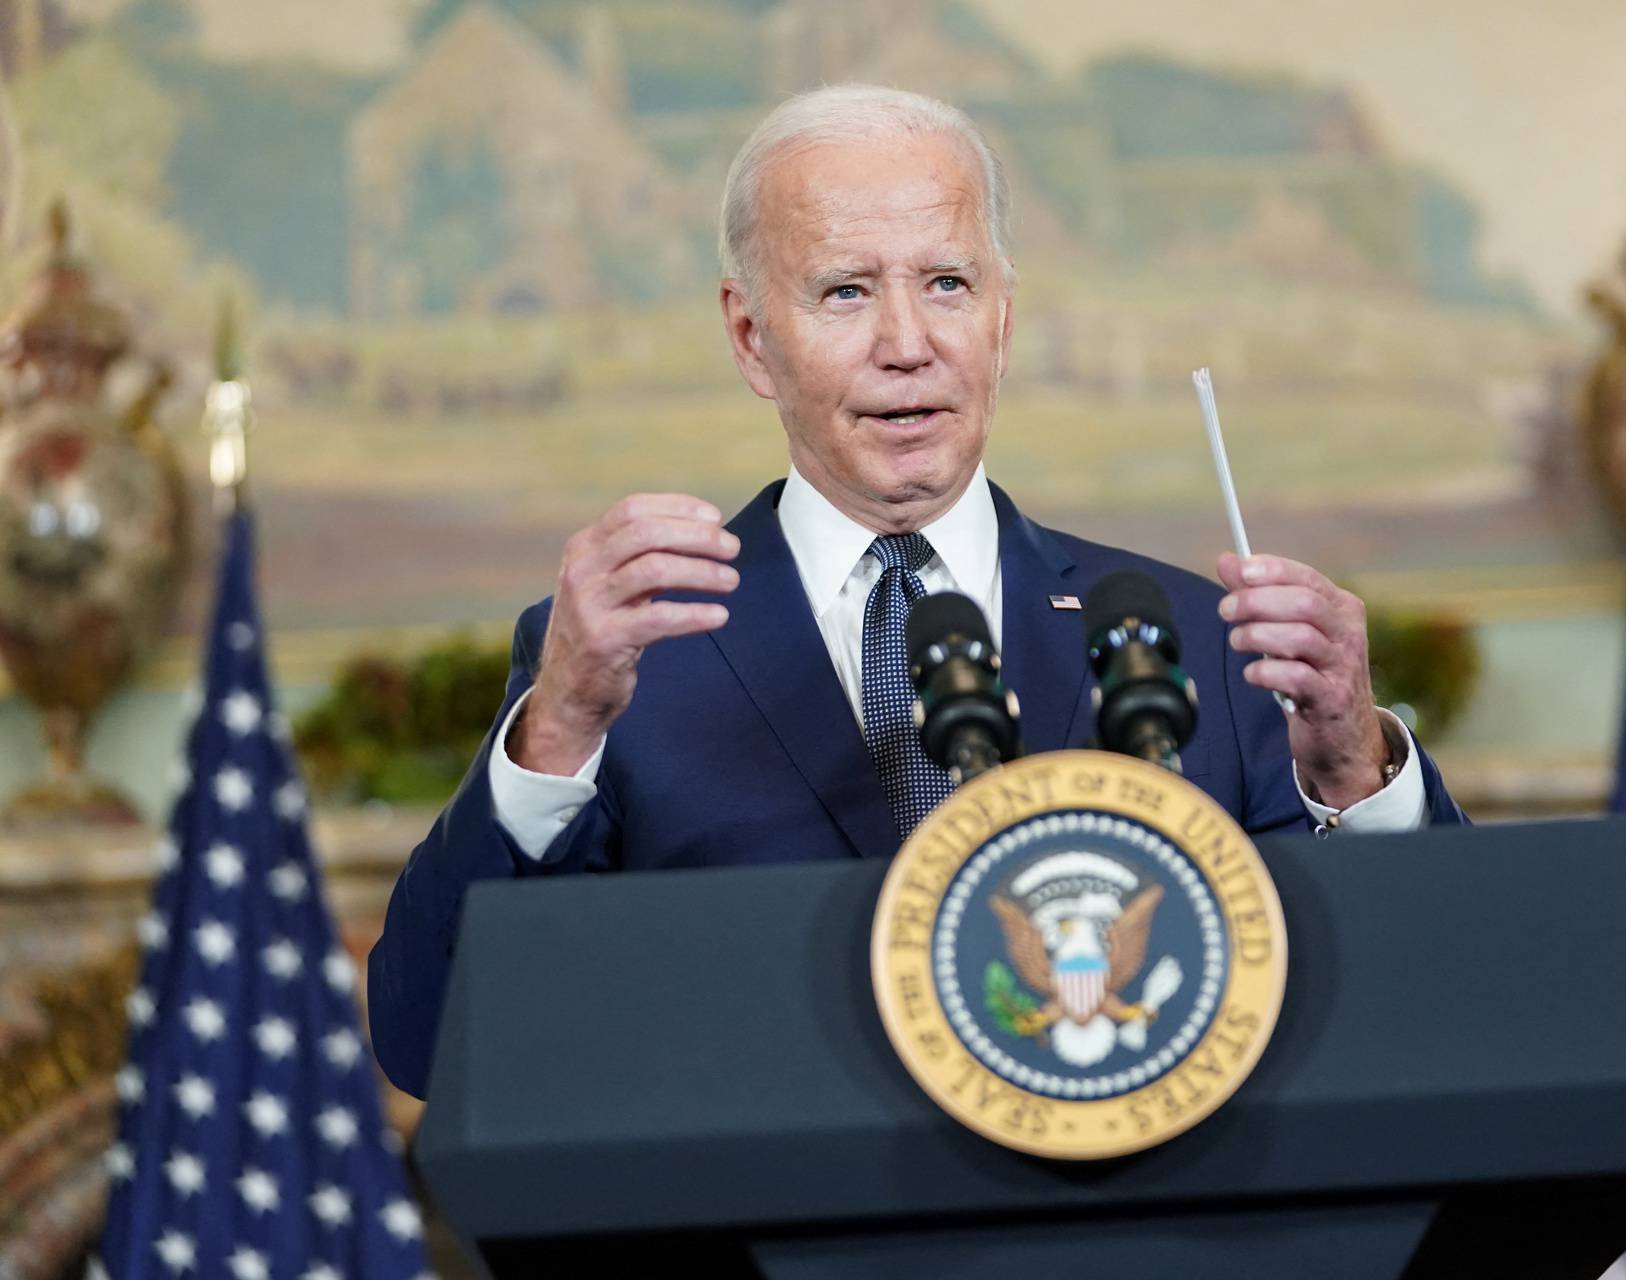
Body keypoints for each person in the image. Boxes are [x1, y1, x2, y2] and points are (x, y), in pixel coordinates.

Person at [369, 85, 1465, 1100]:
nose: (908, 345)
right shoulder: (631, 657)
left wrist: (1356, 771)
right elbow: (430, 1035)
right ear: (753, 337)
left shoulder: (1198, 638)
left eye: (947, 283)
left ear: (1002, 317)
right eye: (846, 291)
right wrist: (558, 724)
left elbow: (1434, 1007)